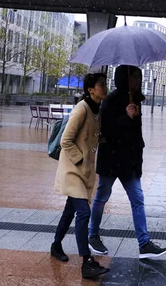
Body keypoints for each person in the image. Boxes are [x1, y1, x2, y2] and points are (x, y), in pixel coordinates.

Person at [88, 65, 166, 259]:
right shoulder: (109, 101)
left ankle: (144, 243)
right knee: (102, 197)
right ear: (124, 79)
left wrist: (138, 163)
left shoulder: (136, 101)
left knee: (137, 200)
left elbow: (134, 137)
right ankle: (92, 235)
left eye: (139, 77)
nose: (138, 81)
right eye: (134, 77)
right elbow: (106, 132)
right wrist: (127, 117)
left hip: (129, 163)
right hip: (111, 160)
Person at [51, 73, 110, 279]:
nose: (105, 87)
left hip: (84, 172)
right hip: (73, 170)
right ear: (90, 89)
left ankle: (56, 244)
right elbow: (65, 140)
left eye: (105, 84)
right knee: (83, 213)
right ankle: (87, 262)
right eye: (101, 85)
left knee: (70, 211)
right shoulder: (81, 108)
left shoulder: (97, 111)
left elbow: (94, 136)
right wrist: (80, 160)